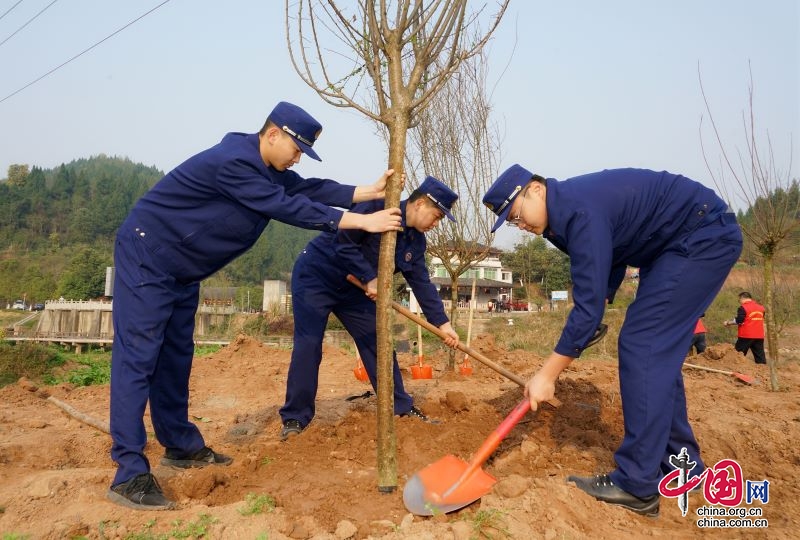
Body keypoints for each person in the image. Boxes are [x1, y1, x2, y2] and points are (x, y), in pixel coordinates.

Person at [108, 101, 404, 511]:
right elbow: (288, 206)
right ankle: (128, 473)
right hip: (148, 254)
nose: (298, 158)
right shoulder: (234, 162)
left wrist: (364, 193)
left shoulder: (269, 169)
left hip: (181, 269)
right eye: (296, 149)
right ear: (272, 135)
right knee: (138, 358)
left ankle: (179, 444)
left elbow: (307, 189)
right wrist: (359, 220)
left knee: (175, 356)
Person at [483, 165, 742, 517]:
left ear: (536, 190)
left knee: (643, 344)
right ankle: (684, 467)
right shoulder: (561, 219)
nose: (522, 226)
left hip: (699, 236)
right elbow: (615, 252)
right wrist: (603, 296)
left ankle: (636, 484)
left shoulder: (578, 212)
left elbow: (586, 308)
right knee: (655, 353)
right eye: (513, 223)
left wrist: (547, 374)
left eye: (517, 214)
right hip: (670, 245)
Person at [279, 176, 460, 439]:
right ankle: (295, 417)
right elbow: (343, 243)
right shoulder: (378, 206)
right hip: (317, 277)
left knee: (379, 344)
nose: (436, 223)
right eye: (437, 216)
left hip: (356, 292)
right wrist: (371, 278)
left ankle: (399, 406)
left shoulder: (416, 242)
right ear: (420, 203)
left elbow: (421, 283)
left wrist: (443, 325)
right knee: (309, 345)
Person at [724, 292, 766, 364]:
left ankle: (736, 369)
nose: (739, 302)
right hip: (759, 335)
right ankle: (762, 371)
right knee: (760, 356)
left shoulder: (743, 307)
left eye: (739, 300)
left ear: (742, 298)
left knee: (738, 354)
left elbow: (739, 320)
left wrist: (728, 323)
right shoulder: (761, 308)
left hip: (746, 335)